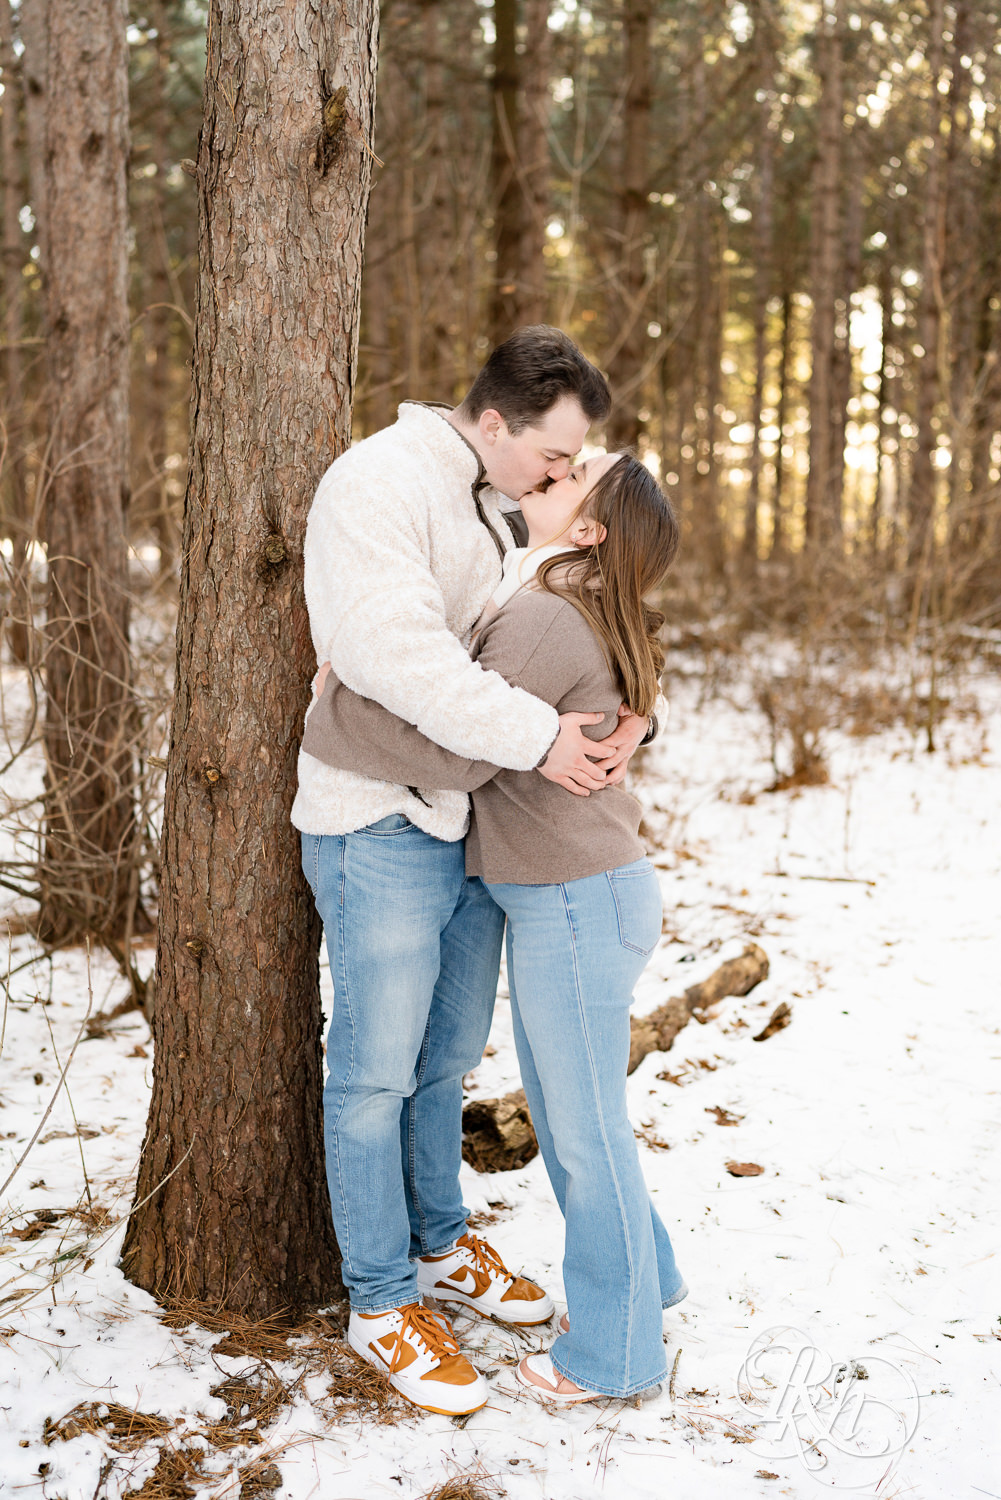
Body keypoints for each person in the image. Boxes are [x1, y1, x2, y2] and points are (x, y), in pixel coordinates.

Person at [292, 327, 656, 1416]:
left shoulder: (499, 500)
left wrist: (599, 720)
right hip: (379, 824)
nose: (559, 473)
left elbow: (564, 629)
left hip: (466, 828)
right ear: (494, 421)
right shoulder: (380, 484)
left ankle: (440, 1244)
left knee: (441, 1065)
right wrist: (542, 737)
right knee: (371, 1073)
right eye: (551, 452)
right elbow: (396, 658)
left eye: (570, 463)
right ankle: (378, 1298)